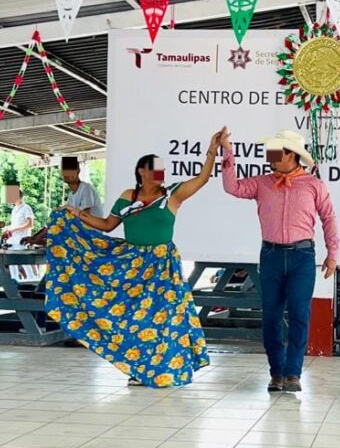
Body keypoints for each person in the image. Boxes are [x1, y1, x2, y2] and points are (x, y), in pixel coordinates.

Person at [45, 129, 225, 387]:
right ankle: (137, 368)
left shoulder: (171, 195)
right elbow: (107, 225)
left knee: (164, 317)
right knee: (133, 318)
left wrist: (212, 150)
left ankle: (164, 368)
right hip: (132, 265)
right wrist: (76, 214)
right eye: (154, 168)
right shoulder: (128, 197)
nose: (160, 172)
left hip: (163, 265)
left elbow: (203, 178)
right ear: (142, 170)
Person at [222, 130, 339, 393]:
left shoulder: (313, 184)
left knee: (300, 314)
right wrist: (227, 151)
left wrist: (333, 255)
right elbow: (232, 187)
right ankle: (277, 372)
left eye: (275, 153)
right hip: (272, 255)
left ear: (291, 155)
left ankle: (293, 373)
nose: (270, 158)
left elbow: (329, 218)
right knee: (272, 317)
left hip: (302, 256)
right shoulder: (262, 182)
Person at [23, 156, 103, 246]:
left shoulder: (86, 189)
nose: (67, 174)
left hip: (92, 239)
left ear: (78, 170)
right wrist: (35, 237)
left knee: (58, 216)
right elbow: (59, 221)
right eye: (65, 170)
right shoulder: (71, 196)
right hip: (79, 238)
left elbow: (84, 218)